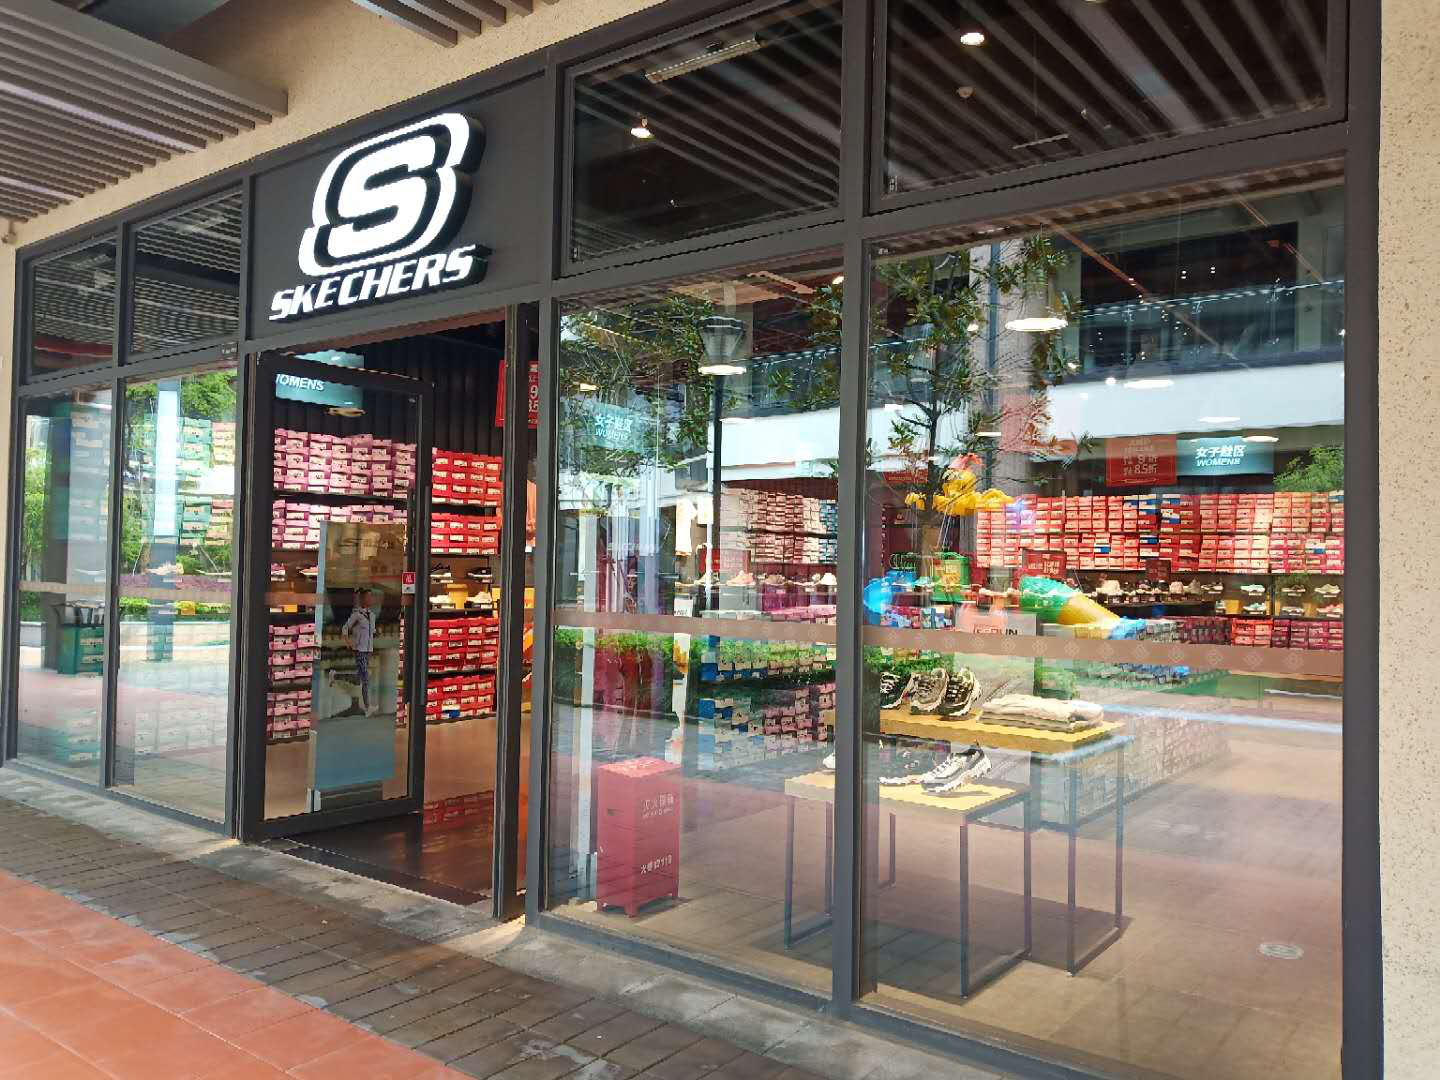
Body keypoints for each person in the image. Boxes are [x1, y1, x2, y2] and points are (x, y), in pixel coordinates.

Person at [341, 588, 378, 716]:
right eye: (368, 597)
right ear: (362, 599)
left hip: (368, 651)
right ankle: (368, 707)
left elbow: (372, 632)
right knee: (366, 678)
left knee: (359, 677)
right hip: (359, 650)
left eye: (371, 597)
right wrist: (348, 642)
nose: (370, 599)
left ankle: (334, 676)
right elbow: (345, 628)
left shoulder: (372, 616)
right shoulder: (357, 615)